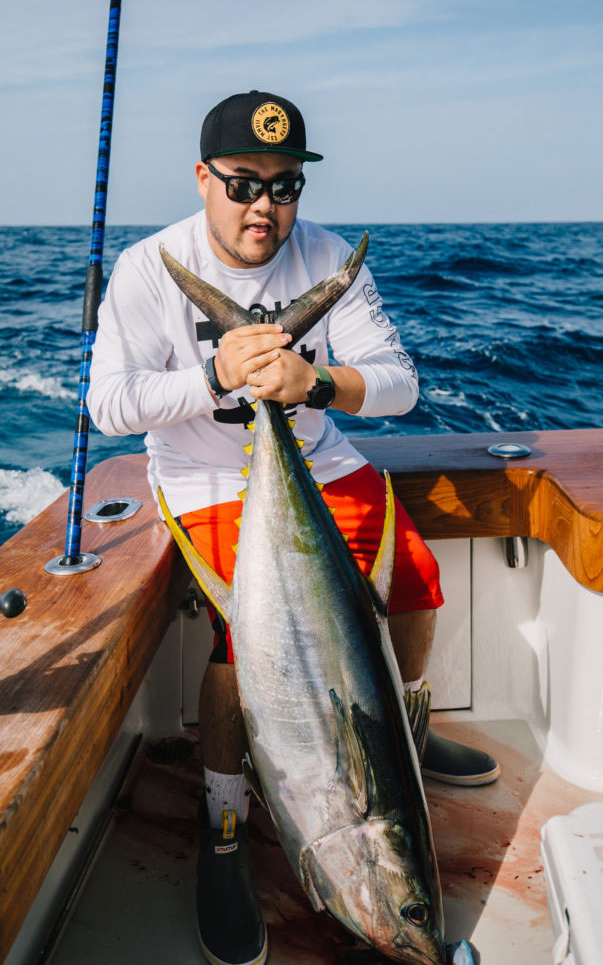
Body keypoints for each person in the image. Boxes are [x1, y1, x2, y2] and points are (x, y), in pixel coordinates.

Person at [87, 90, 499, 965]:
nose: (263, 208)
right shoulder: (146, 266)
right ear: (203, 178)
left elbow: (396, 382)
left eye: (283, 188)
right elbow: (110, 405)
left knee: (416, 582)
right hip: (200, 473)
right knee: (250, 648)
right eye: (242, 184)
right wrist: (213, 375)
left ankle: (400, 742)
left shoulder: (320, 254)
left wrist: (313, 385)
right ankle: (226, 821)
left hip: (316, 455)